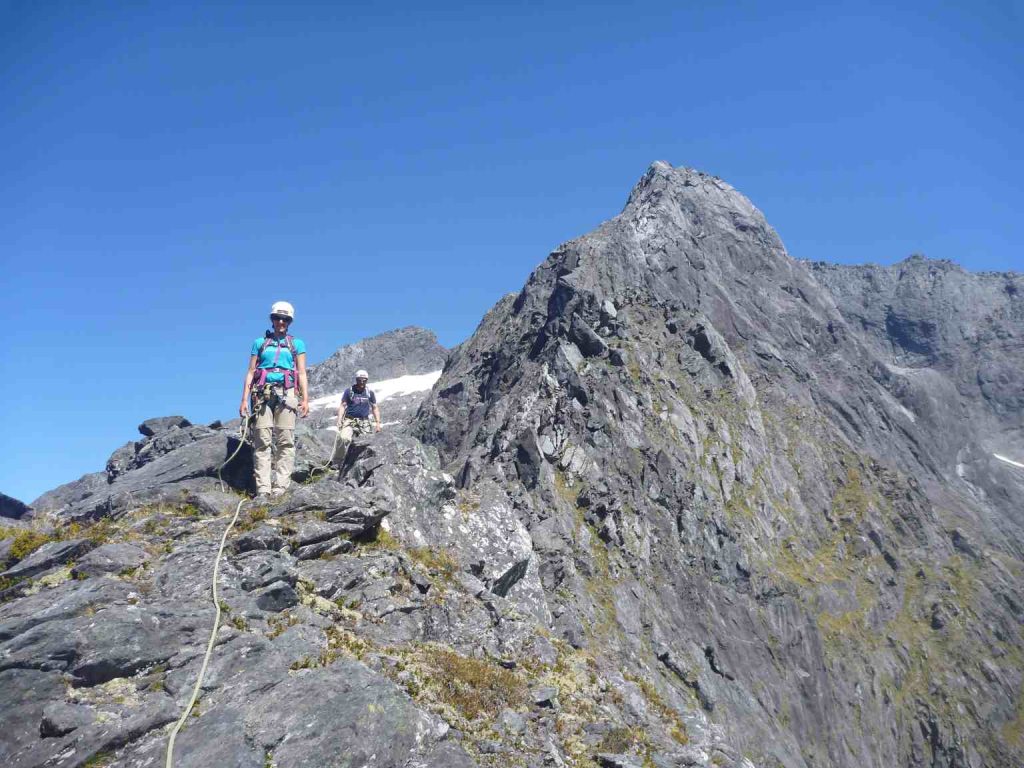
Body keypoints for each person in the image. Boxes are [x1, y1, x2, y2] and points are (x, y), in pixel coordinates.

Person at [239, 301, 310, 496]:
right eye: (277, 318)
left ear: (290, 321)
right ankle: (263, 488)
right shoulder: (259, 343)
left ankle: (281, 487)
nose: (280, 321)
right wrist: (244, 399)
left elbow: (301, 372)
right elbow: (251, 371)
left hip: (287, 393)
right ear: (272, 319)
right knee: (262, 440)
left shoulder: (297, 344)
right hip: (261, 393)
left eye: (285, 319)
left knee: (285, 440)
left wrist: (305, 399)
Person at [334, 369, 382, 467]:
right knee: (344, 438)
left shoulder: (369, 393)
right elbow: (343, 405)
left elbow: (374, 407)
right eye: (360, 380)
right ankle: (337, 462)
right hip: (349, 420)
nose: (362, 382)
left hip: (364, 421)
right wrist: (339, 420)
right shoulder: (349, 391)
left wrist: (377, 423)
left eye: (364, 380)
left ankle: (363, 463)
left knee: (368, 442)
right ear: (356, 379)